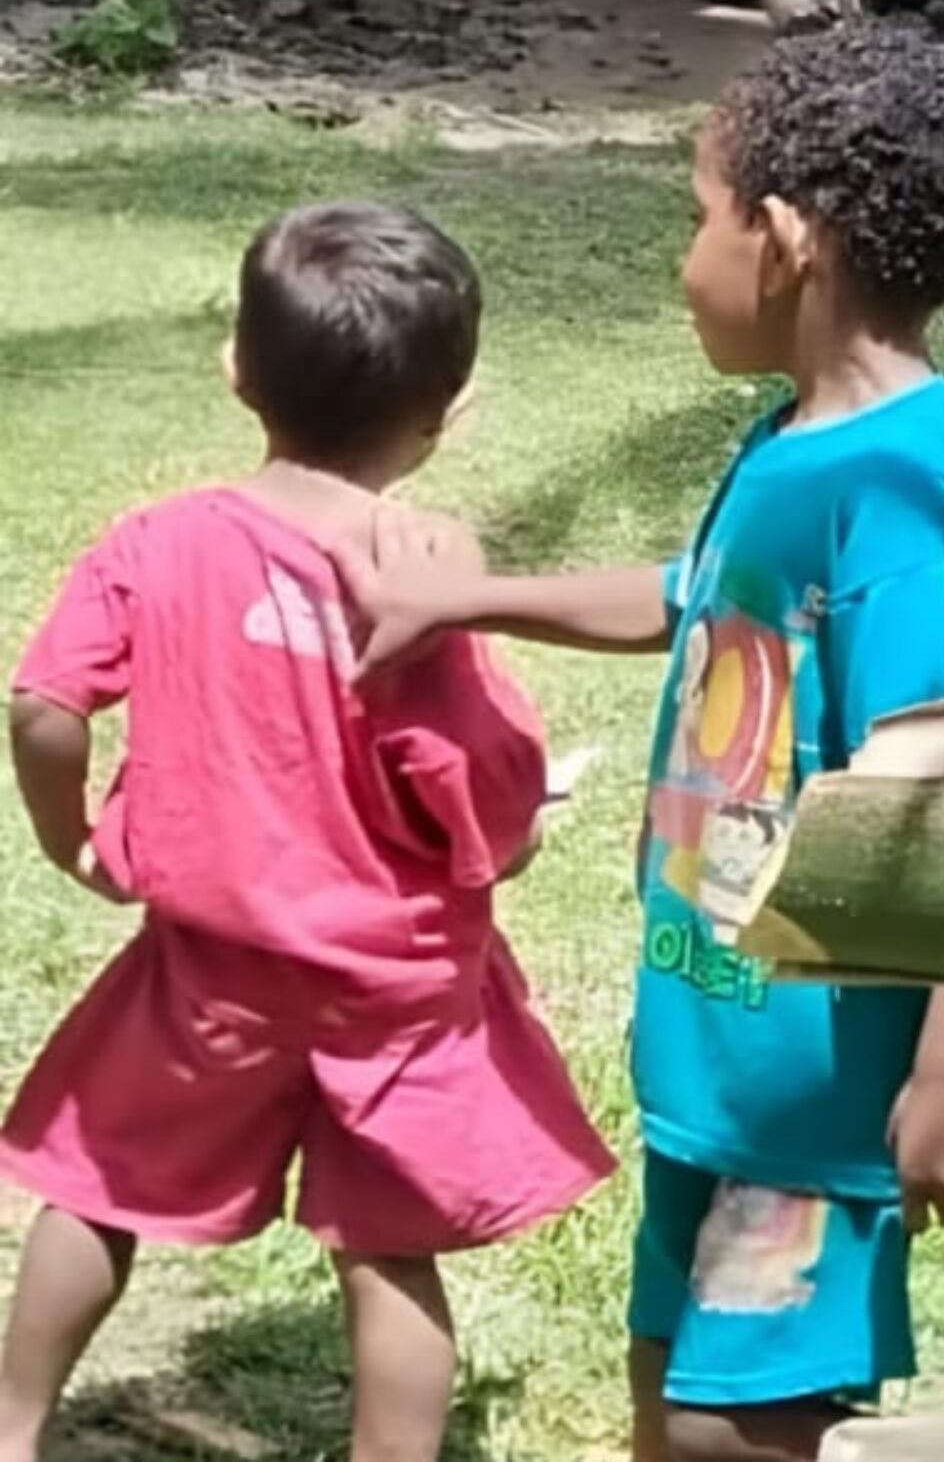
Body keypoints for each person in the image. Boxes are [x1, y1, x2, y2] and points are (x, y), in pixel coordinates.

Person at [341, 20, 944, 1462]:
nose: (682, 258)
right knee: (673, 1386)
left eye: (695, 218)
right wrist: (472, 596)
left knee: (737, 1424)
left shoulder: (898, 490)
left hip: (818, 1086)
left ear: (785, 242)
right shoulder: (798, 441)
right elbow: (696, 601)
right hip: (721, 1057)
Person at [0, 204, 613, 1462]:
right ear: (444, 416)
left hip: (207, 970)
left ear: (238, 365)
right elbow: (487, 802)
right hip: (392, 987)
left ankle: (9, 1427)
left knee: (97, 1180)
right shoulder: (420, 593)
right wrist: (520, 833)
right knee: (390, 1255)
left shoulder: (156, 544)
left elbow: (44, 700)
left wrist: (71, 836)